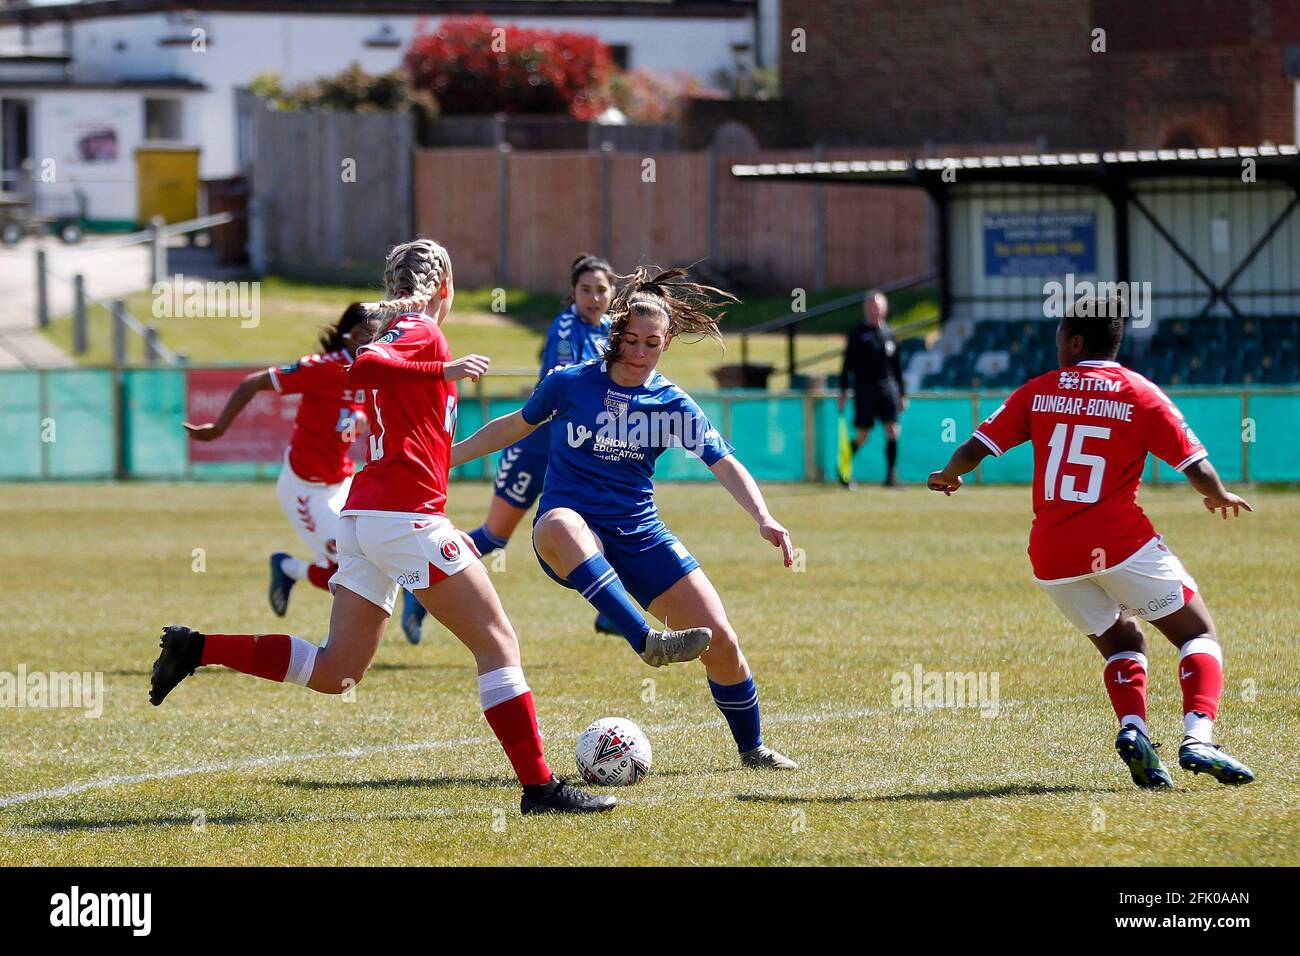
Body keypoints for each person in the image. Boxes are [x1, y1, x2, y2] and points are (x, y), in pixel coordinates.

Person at [151, 237, 616, 815]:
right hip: (404, 517)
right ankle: (541, 789)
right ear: (444, 287)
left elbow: (414, 420)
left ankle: (197, 648)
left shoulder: (405, 332)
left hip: (367, 516)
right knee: (498, 643)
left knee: (336, 672)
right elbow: (369, 364)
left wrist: (505, 424)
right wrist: (443, 366)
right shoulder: (423, 332)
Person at [450, 266, 799, 770]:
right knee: (559, 524)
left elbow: (723, 461)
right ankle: (645, 640)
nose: (638, 353)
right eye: (630, 340)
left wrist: (764, 517)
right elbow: (509, 427)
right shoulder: (569, 383)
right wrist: (443, 460)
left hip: (639, 533)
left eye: (651, 343)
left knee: (721, 642)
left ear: (668, 342)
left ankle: (754, 750)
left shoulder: (671, 402)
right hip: (568, 532)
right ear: (615, 334)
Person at [926, 297, 1254, 789]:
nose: (1056, 344)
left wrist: (950, 475)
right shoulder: (1140, 393)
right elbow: (1196, 466)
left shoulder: (1039, 391)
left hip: (1052, 554)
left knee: (1124, 640)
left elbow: (975, 449)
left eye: (1060, 335)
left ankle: (1134, 728)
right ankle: (1199, 738)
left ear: (1076, 342)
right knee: (1196, 634)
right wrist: (1218, 494)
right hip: (1120, 541)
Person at [401, 254, 615, 644]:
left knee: (602, 523)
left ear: (613, 292)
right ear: (572, 293)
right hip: (534, 447)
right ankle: (422, 582)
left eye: (601, 289)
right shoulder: (565, 329)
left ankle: (610, 612)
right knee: (495, 537)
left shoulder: (613, 331)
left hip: (578, 453)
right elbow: (568, 388)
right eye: (586, 289)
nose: (594, 297)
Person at [184, 303, 378, 616]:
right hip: (306, 489)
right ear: (353, 336)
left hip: (342, 481)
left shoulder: (376, 374)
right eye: (375, 335)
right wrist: (219, 428)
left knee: (370, 559)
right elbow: (254, 382)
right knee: (345, 577)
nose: (384, 342)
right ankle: (288, 569)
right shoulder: (322, 368)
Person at [837, 290, 906, 487]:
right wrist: (842, 390)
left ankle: (891, 476)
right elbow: (846, 366)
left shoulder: (890, 334)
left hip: (888, 389)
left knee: (892, 429)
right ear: (865, 309)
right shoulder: (857, 334)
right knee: (863, 434)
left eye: (877, 306)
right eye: (870, 306)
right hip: (864, 389)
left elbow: (897, 368)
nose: (873, 310)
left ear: (884, 309)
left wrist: (902, 394)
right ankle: (843, 469)